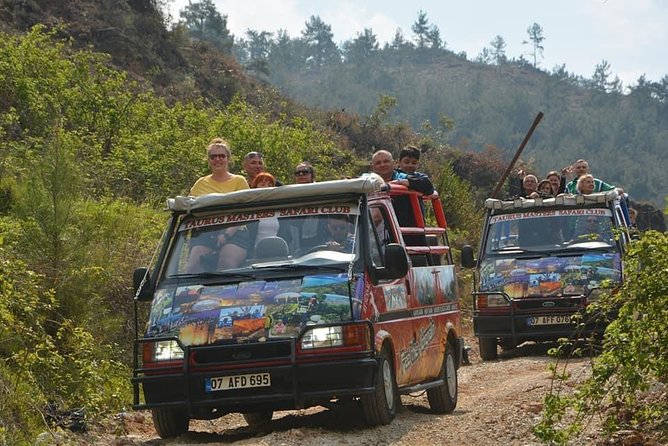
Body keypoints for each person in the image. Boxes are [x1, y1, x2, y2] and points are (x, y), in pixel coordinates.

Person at [188, 138, 250, 271]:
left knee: (226, 263)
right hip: (206, 233)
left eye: (221, 156)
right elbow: (191, 211)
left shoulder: (239, 181)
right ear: (209, 160)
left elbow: (244, 211)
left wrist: (226, 235)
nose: (217, 159)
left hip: (236, 232)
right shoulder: (200, 183)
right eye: (213, 156)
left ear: (228, 158)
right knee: (193, 266)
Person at [371, 150, 433, 246]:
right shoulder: (368, 181)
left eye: (386, 161)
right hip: (376, 235)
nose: (382, 165)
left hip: (408, 234)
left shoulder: (401, 176)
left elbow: (428, 186)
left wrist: (406, 183)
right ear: (373, 166)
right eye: (378, 163)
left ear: (394, 163)